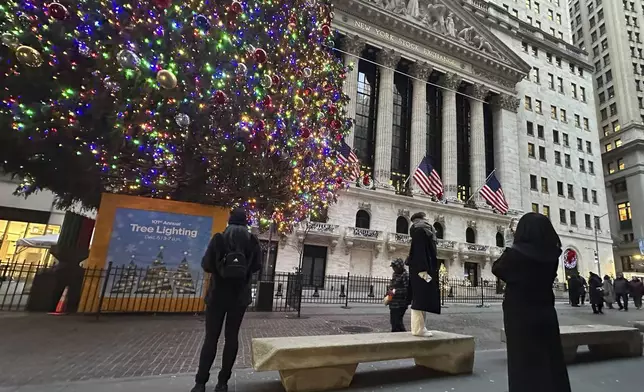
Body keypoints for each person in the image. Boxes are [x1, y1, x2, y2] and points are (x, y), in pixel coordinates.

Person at [492, 213, 571, 392]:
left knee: (523, 362)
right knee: (550, 358)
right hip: (545, 310)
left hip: (520, 314)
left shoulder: (516, 253)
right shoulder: (553, 253)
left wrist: (511, 244)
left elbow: (498, 268)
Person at [191, 207, 262, 392]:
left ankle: (200, 383)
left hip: (217, 295)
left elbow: (206, 265)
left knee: (211, 338)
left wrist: (220, 268)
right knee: (231, 338)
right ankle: (223, 382)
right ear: (245, 223)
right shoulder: (252, 241)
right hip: (239, 298)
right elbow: (257, 266)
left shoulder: (219, 239)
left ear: (230, 222)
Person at [406, 212, 441, 337]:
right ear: (420, 219)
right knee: (420, 297)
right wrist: (423, 269)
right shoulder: (420, 231)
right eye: (425, 218)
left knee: (423, 296)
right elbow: (419, 251)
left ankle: (421, 327)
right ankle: (418, 329)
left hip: (422, 269)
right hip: (421, 270)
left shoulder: (423, 230)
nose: (428, 220)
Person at [388, 258, 410, 332]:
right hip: (393, 302)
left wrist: (395, 291)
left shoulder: (405, 275)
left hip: (400, 303)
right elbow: (392, 286)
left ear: (400, 267)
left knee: (397, 322)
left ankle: (400, 337)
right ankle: (398, 336)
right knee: (393, 321)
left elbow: (407, 289)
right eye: (393, 267)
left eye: (395, 267)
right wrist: (388, 294)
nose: (394, 269)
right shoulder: (395, 274)